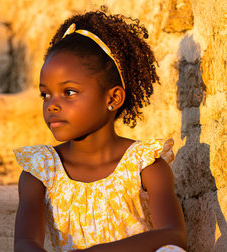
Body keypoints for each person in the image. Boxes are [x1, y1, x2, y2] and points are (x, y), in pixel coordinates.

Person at [13, 10, 187, 252]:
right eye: (45, 94)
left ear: (113, 98)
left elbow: (174, 235)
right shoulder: (42, 172)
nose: (51, 104)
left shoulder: (145, 166)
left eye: (69, 92)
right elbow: (24, 243)